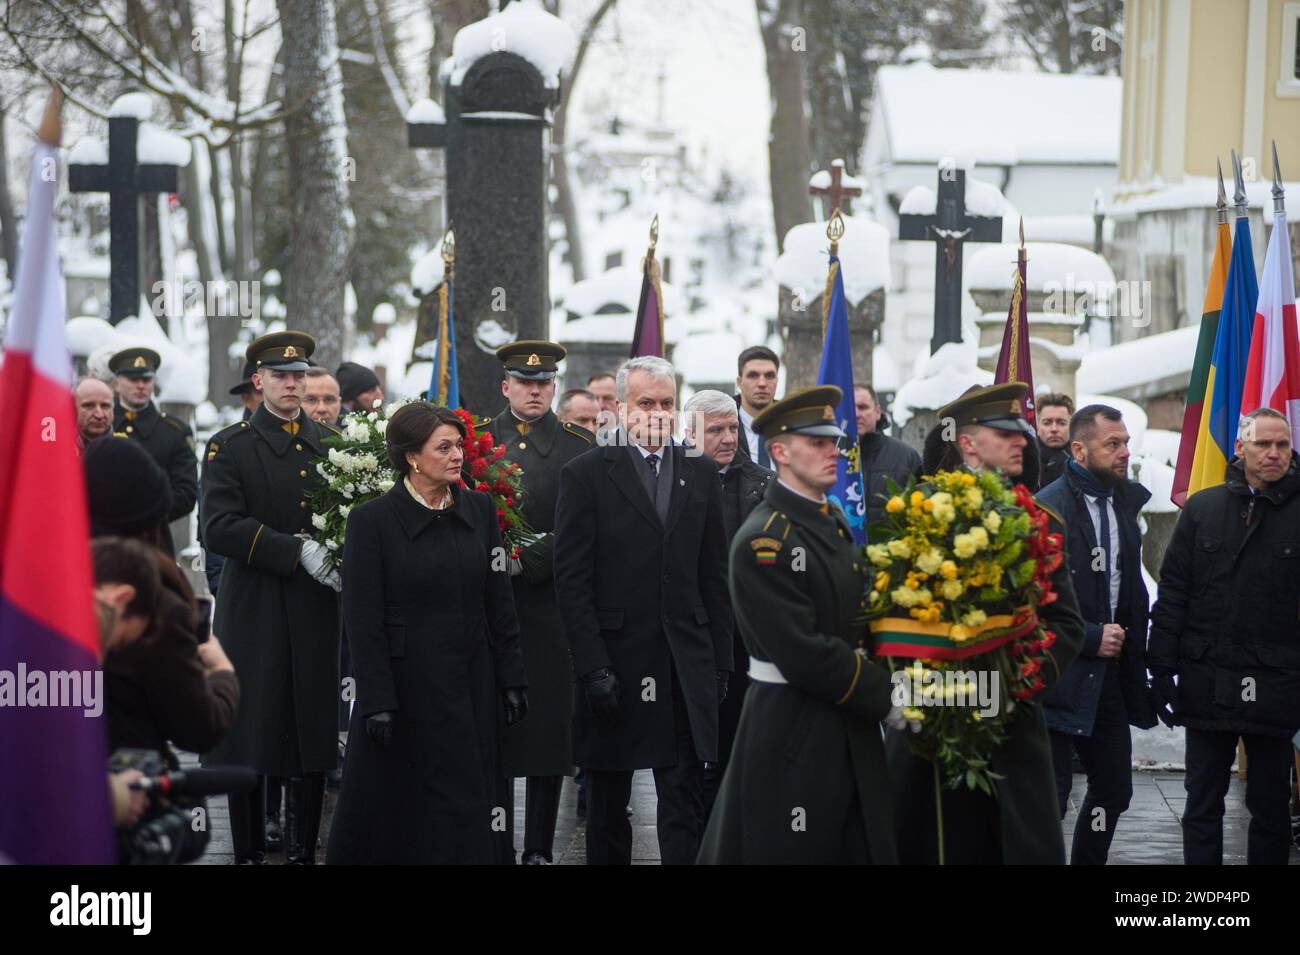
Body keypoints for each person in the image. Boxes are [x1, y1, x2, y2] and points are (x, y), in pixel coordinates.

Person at [699, 386, 898, 864]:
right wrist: (892, 696)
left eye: (835, 441)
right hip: (794, 729)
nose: (835, 451)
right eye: (819, 443)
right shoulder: (765, 540)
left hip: (847, 719)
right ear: (781, 452)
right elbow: (804, 653)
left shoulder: (827, 519)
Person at [325, 402, 528, 864]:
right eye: (444, 447)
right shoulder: (371, 521)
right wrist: (376, 699)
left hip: (471, 682)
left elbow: (499, 601)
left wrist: (512, 678)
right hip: (405, 689)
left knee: (469, 804)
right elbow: (362, 618)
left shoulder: (478, 509)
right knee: (404, 814)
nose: (457, 455)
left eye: (459, 445)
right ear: (412, 457)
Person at [894, 381, 1085, 864]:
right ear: (967, 443)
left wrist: (1016, 682)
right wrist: (920, 692)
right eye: (1005, 433)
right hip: (931, 723)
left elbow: (1064, 625)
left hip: (1011, 723)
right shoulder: (918, 520)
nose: (1023, 440)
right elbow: (888, 619)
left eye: (1023, 431)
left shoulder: (1041, 523)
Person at [555, 355, 733, 865]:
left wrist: (718, 662)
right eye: (645, 402)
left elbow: (713, 577)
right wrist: (593, 666)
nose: (658, 413)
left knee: (682, 799)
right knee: (609, 806)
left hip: (682, 666)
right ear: (621, 408)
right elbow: (572, 581)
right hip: (613, 666)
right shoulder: (585, 474)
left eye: (667, 403)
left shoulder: (700, 472)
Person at [201, 331, 344, 865]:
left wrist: (340, 553)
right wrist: (293, 551)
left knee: (311, 730)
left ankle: (307, 851)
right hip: (255, 605)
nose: (292, 383)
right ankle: (249, 852)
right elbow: (220, 527)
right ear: (258, 381)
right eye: (281, 375)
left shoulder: (331, 446)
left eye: (299, 375)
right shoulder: (230, 445)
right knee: (253, 731)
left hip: (313, 605)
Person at [1148, 406, 1300, 865]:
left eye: (1282, 445)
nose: (1273, 453)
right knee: (1202, 805)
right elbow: (1174, 591)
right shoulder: (1204, 507)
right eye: (1262, 444)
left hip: (1276, 682)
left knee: (1271, 806)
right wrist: (1160, 666)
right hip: (1207, 677)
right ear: (1240, 447)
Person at [482, 342, 594, 864]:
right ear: (505, 386)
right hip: (489, 606)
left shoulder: (578, 446)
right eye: (524, 383)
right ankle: (498, 841)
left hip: (549, 608)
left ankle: (538, 848)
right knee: (496, 730)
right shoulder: (477, 440)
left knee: (548, 731)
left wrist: (529, 557)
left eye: (543, 383)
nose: (534, 390)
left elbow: (585, 528)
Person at [1037, 404, 1158, 864]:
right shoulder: (1048, 508)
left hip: (1107, 675)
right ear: (1079, 450)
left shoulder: (1124, 501)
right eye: (1114, 444)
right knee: (1050, 795)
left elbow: (1130, 591)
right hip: (1057, 670)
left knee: (1113, 789)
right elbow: (1033, 601)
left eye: (1126, 442)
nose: (1125, 452)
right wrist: (1088, 636)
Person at [84, 438, 239, 764]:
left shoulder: (46, 590)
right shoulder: (154, 606)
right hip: (137, 789)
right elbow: (198, 728)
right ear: (150, 519)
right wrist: (222, 673)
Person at [681, 388, 772, 822]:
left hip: (743, 640)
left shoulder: (763, 485)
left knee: (737, 747)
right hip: (688, 635)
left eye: (732, 428)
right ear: (689, 433)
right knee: (691, 755)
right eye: (714, 430)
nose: (726, 438)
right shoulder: (673, 480)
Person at [108, 347, 197, 556]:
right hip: (104, 540)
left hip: (154, 543)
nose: (140, 385)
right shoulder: (102, 424)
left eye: (146, 380)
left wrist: (146, 515)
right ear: (116, 383)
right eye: (132, 379)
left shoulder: (174, 432)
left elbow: (186, 492)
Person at [855, 383, 921, 527]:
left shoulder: (906, 456)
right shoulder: (829, 456)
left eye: (863, 407)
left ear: (878, 412)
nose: (856, 414)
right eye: (850, 408)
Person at [734, 345, 779, 467]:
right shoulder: (720, 421)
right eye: (753, 375)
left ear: (777, 381)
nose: (762, 383)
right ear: (739, 382)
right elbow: (693, 459)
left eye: (769, 376)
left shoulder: (793, 424)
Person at [1036, 392, 1074, 489]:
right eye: (1047, 423)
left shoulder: (1082, 462)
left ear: (1071, 426)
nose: (1054, 429)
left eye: (1061, 423)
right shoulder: (1024, 460)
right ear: (1038, 426)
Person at [74, 376, 114, 450]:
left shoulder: (125, 450)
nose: (99, 415)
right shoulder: (58, 449)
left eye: (105, 406)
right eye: (89, 406)